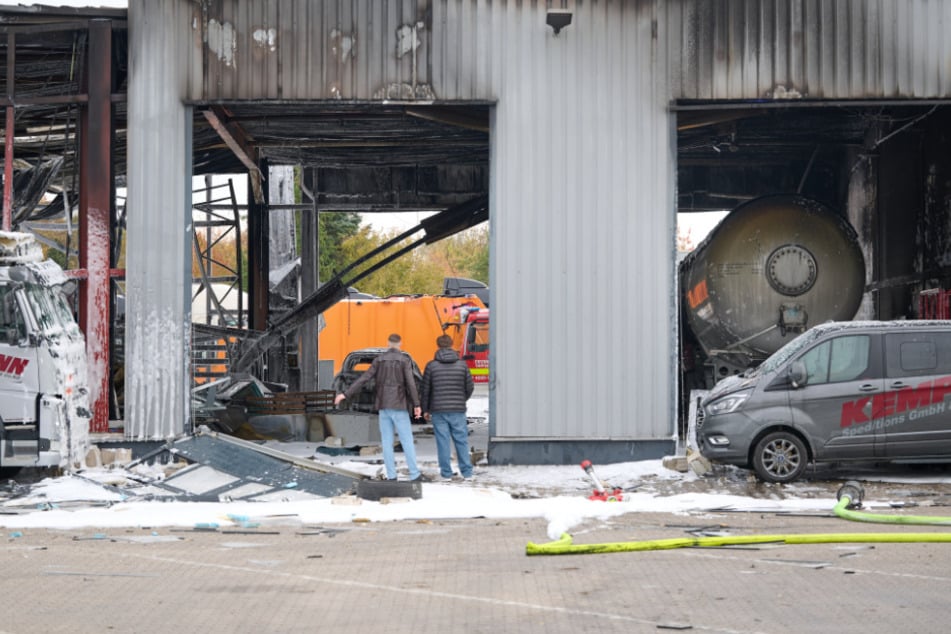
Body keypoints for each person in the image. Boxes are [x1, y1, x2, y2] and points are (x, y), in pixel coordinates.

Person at [334, 333, 426, 482]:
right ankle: (414, 474)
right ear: (399, 344)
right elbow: (411, 384)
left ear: (388, 344)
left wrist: (345, 394)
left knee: (386, 442)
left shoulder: (379, 361)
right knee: (407, 440)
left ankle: (392, 476)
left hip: (384, 407)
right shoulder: (404, 361)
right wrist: (417, 404)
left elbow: (363, 378)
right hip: (400, 406)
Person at [420, 334, 475, 481]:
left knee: (442, 441)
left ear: (438, 345)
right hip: (458, 409)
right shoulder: (462, 365)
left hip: (438, 410)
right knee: (461, 440)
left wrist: (426, 409)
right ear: (451, 345)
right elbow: (469, 387)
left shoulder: (431, 366)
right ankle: (467, 472)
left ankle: (446, 473)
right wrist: (461, 400)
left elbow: (425, 390)